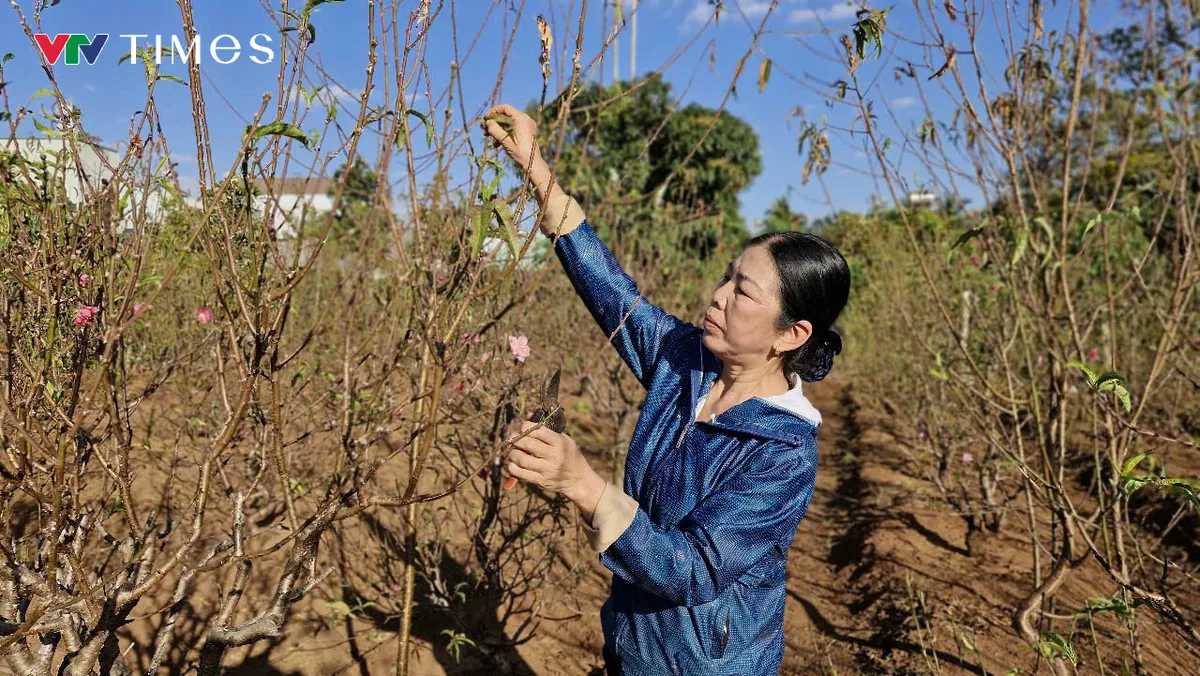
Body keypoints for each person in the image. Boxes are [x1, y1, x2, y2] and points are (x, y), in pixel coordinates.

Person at [483, 103, 850, 675]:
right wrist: (533, 164)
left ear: (791, 334)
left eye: (743, 291)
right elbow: (609, 290)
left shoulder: (783, 451)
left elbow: (695, 570)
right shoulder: (687, 361)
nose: (719, 294)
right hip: (632, 648)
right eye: (726, 276)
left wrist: (582, 484)